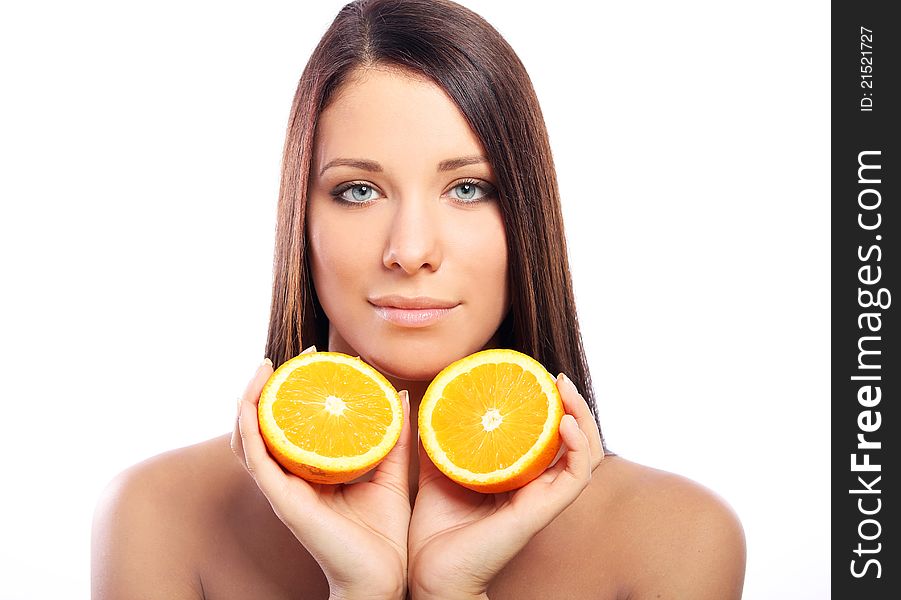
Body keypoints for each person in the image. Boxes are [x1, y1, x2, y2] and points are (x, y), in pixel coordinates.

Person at [91, 0, 746, 598]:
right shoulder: (156, 515)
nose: (409, 249)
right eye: (357, 191)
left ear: (526, 218)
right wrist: (360, 591)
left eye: (467, 188)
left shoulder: (676, 538)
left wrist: (447, 591)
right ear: (301, 222)